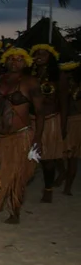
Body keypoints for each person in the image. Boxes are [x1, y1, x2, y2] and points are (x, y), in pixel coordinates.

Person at [0, 46, 44, 223]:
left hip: (20, 136)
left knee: (16, 176)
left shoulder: (30, 82)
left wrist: (38, 139)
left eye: (19, 59)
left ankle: (15, 211)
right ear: (5, 61)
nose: (15, 62)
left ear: (26, 63)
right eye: (11, 59)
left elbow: (40, 112)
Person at [28, 44, 68, 203]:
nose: (39, 57)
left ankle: (48, 189)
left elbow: (64, 101)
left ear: (50, 57)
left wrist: (63, 125)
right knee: (28, 156)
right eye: (36, 54)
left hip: (51, 119)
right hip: (31, 118)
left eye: (43, 54)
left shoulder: (59, 76)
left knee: (47, 159)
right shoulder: (29, 75)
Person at [61, 60, 81, 196]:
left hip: (75, 123)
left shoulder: (73, 89)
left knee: (72, 158)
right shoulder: (70, 87)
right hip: (70, 121)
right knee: (69, 157)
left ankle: (67, 187)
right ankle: (65, 184)